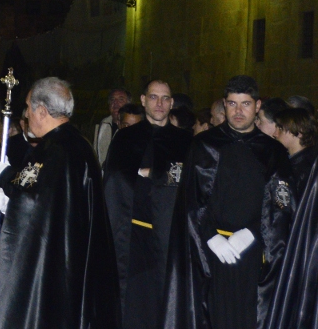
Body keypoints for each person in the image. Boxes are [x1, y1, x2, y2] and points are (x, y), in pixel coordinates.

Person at [0, 77, 120, 329]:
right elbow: (40, 191)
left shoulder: (56, 150)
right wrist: (9, 178)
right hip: (70, 254)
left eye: (28, 108)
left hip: (58, 262)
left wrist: (6, 199)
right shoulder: (76, 144)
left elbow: (37, 208)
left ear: (42, 111)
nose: (26, 114)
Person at [163, 75, 291, 329]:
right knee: (213, 317)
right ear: (224, 105)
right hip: (210, 252)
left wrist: (252, 233)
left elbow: (281, 204)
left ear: (257, 106)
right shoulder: (203, 144)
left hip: (254, 253)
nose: (238, 111)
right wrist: (211, 236)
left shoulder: (272, 151)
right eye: (232, 104)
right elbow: (190, 198)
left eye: (245, 104)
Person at [102, 80, 192, 329]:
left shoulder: (184, 140)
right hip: (132, 232)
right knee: (132, 298)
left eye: (165, 98)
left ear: (172, 103)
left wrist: (151, 174)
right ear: (143, 100)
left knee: (164, 294)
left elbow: (187, 179)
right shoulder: (125, 137)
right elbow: (115, 181)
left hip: (169, 232)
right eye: (153, 97)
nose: (159, 104)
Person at [263, 108, 318, 329]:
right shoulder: (292, 163)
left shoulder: (305, 168)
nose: (275, 133)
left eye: (281, 129)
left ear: (298, 132)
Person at [94, 87, 130, 165]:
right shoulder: (103, 124)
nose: (115, 103)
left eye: (121, 99)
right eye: (112, 99)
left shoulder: (133, 127)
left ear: (128, 104)